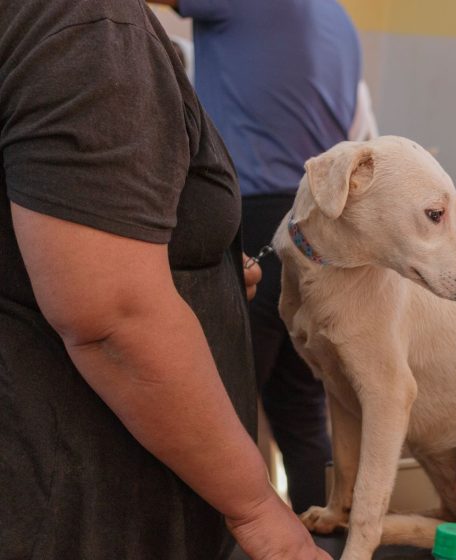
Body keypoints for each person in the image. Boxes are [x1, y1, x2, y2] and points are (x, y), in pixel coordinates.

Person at [0, 1, 331, 559]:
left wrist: (205, 272)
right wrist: (256, 508)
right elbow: (114, 316)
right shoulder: (89, 24)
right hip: (71, 504)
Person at [154, 0, 377, 513]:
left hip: (257, 216)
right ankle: (323, 532)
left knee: (216, 401)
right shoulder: (338, 20)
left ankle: (212, 538)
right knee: (299, 408)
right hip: (318, 224)